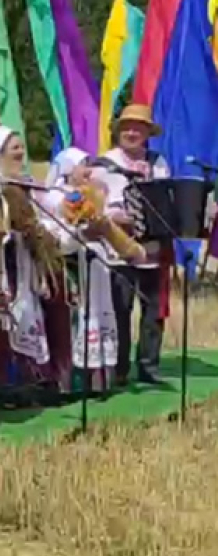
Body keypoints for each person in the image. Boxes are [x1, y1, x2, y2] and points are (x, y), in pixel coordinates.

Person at [0, 126, 50, 405]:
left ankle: (25, 381)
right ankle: (3, 384)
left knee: (25, 312)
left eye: (20, 147)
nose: (20, 152)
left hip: (22, 257)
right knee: (7, 317)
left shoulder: (24, 183)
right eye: (13, 148)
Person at [40, 148, 119, 393]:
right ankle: (68, 383)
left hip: (93, 262)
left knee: (97, 313)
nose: (88, 171)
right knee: (71, 322)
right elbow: (64, 227)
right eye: (83, 165)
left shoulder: (89, 194)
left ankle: (96, 379)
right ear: (67, 168)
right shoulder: (54, 196)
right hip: (69, 263)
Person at [101, 103, 169, 385]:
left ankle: (149, 365)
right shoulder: (104, 163)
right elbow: (99, 206)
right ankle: (118, 368)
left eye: (138, 128)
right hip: (119, 248)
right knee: (121, 308)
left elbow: (167, 198)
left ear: (147, 133)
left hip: (154, 249)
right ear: (118, 132)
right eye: (127, 128)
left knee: (154, 310)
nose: (132, 132)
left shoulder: (158, 163)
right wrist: (119, 216)